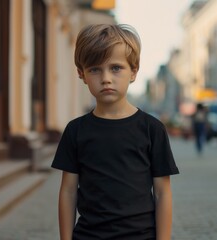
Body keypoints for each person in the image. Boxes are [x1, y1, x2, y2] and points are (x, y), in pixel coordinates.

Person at [51, 24, 179, 240]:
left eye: (116, 68)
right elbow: (68, 191)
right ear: (81, 74)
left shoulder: (152, 129)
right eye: (95, 69)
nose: (106, 78)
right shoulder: (75, 131)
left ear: (134, 72)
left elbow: (162, 192)